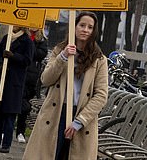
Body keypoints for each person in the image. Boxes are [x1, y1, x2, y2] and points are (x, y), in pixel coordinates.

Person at [23, 11, 109, 160]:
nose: (85, 30)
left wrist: (80, 121)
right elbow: (46, 79)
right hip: (55, 113)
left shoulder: (99, 59)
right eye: (82, 25)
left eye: (90, 27)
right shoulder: (59, 50)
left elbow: (101, 95)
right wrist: (63, 57)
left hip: (81, 118)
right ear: (74, 27)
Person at [0, 26, 35, 154]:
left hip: (14, 83)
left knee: (9, 115)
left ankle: (6, 144)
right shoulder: (6, 38)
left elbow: (27, 60)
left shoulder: (27, 41)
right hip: (1, 80)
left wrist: (13, 56)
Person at [15, 27, 49, 143]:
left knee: (25, 107)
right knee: (16, 102)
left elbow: (40, 54)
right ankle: (8, 128)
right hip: (18, 75)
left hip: (31, 78)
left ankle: (20, 131)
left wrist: (30, 45)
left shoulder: (42, 40)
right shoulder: (21, 35)